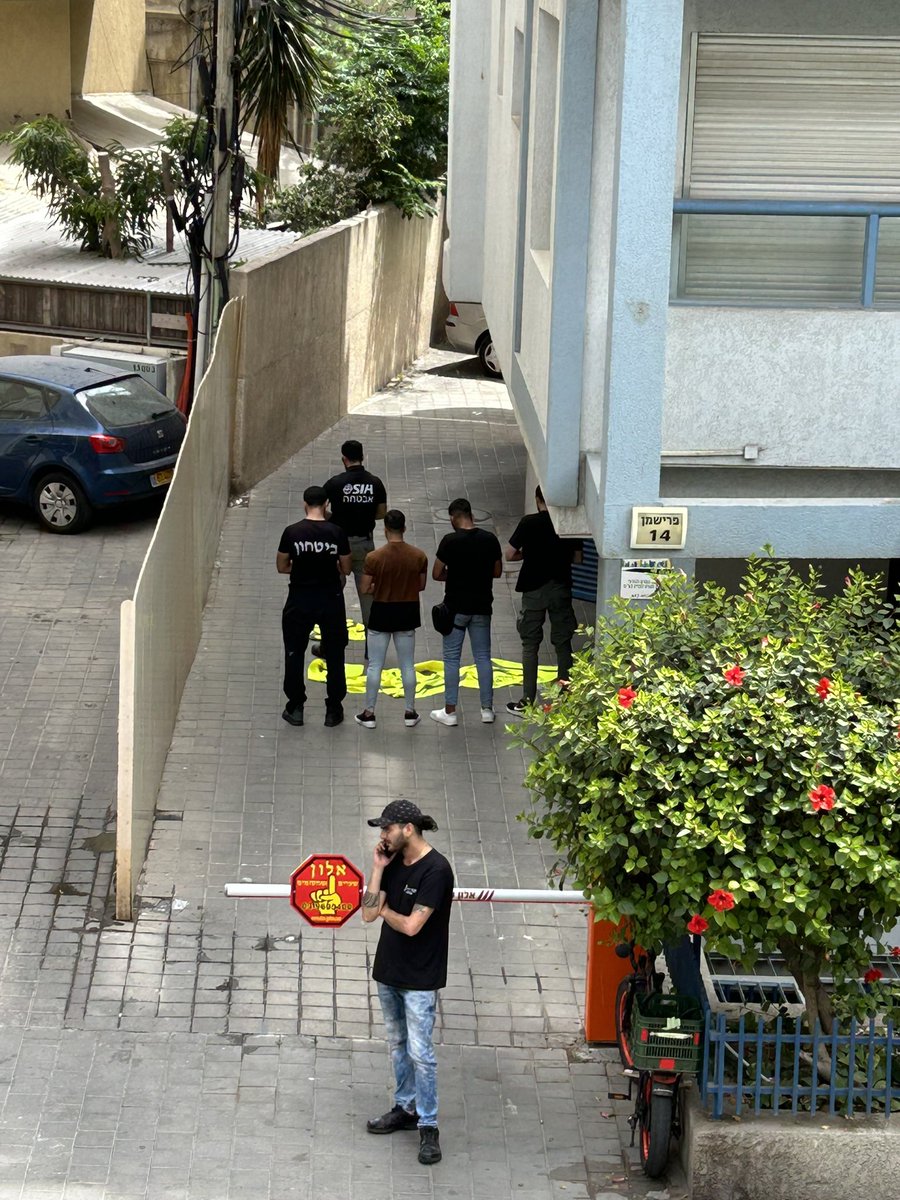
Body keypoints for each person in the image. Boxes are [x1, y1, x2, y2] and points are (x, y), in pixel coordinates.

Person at [362, 799, 454, 1167]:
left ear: (408, 829)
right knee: (397, 1044)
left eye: (387, 828)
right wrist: (377, 868)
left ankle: (428, 1125)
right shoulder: (393, 862)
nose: (382, 834)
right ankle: (405, 1107)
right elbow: (368, 915)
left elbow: (413, 926)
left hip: (419, 978)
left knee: (421, 1053)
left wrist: (384, 909)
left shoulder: (437, 870)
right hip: (389, 971)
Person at [276, 485, 352, 727]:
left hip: (300, 598)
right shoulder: (337, 532)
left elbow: (281, 565)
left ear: (304, 503)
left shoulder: (292, 532)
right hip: (330, 598)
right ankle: (333, 709)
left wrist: (300, 569)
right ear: (327, 504)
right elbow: (347, 568)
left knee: (294, 652)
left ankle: (296, 706)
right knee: (335, 652)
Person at [504, 485, 581, 714]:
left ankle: (527, 699)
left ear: (538, 500)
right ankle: (565, 696)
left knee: (530, 644)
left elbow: (509, 554)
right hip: (560, 587)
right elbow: (578, 558)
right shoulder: (569, 524)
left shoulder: (529, 523)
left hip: (533, 589)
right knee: (562, 641)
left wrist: (528, 554)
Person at [429, 498, 503, 727]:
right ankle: (487, 709)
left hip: (455, 608)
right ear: (471, 514)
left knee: (452, 659)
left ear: (453, 517)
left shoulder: (449, 541)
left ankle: (450, 711)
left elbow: (436, 573)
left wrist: (455, 575)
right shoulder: (490, 539)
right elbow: (497, 572)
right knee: (483, 657)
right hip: (482, 607)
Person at [355, 510, 428, 730]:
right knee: (407, 664)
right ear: (404, 528)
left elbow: (365, 587)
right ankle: (409, 711)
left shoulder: (374, 557)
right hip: (407, 611)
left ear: (385, 529)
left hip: (381, 612)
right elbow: (421, 585)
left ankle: (369, 712)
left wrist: (379, 587)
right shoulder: (418, 556)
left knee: (375, 665)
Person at [321, 439, 387, 655]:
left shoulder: (335, 483)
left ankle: (328, 644)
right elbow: (381, 513)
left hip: (339, 547)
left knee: (330, 595)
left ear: (344, 459)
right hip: (366, 545)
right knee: (368, 596)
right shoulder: (375, 483)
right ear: (363, 457)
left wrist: (334, 518)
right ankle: (372, 650)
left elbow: (319, 510)